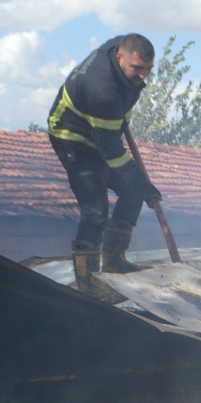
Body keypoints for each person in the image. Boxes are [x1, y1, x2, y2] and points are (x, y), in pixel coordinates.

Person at [47, 33, 161, 293]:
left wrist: (139, 187)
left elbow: (111, 139)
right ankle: (87, 280)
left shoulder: (122, 45)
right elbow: (112, 153)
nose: (143, 74)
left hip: (102, 130)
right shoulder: (103, 92)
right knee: (96, 209)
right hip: (73, 137)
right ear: (119, 57)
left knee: (131, 191)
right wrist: (145, 184)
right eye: (137, 68)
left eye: (148, 69)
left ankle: (114, 261)